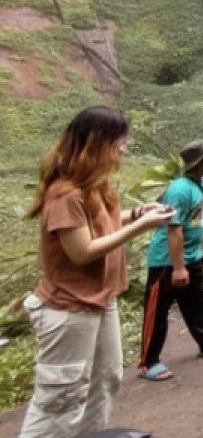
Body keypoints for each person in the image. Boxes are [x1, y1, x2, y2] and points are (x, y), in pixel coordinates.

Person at [21, 106, 174, 438]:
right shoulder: (65, 194)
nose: (124, 147)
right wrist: (143, 227)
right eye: (120, 140)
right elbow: (82, 251)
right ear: (99, 142)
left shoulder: (95, 185)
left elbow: (98, 227)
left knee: (104, 381)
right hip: (69, 307)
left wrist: (136, 213)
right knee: (60, 398)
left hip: (102, 300)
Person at [137, 140, 203, 382]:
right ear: (199, 161)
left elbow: (197, 222)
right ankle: (148, 362)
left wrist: (200, 251)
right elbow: (174, 229)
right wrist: (179, 267)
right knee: (157, 311)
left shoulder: (201, 185)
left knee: (196, 303)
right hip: (166, 261)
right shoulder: (179, 189)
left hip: (190, 257)